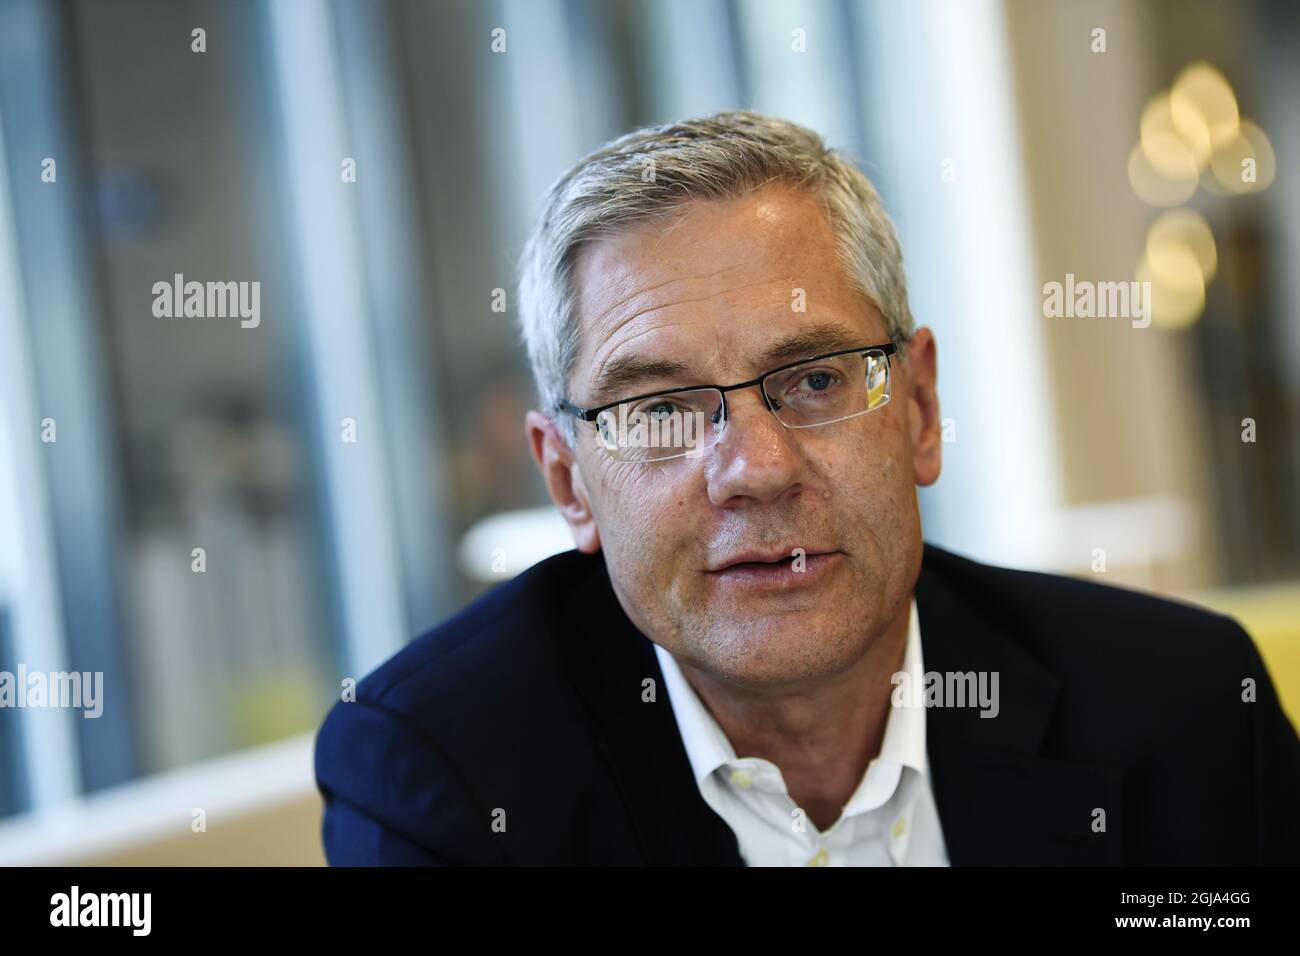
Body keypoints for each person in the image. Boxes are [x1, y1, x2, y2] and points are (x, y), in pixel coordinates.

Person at [314, 111, 1300, 865]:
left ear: (916, 405)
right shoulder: (441, 776)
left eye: (816, 381)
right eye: (659, 409)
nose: (756, 468)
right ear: (569, 479)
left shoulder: (1189, 708)